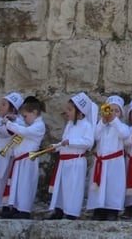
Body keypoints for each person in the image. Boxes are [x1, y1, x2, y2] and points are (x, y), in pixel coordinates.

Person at [48, 92, 96, 220]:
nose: (67, 112)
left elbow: (88, 142)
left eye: (70, 109)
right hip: (64, 162)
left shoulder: (87, 126)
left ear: (80, 112)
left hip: (76, 162)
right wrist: (56, 147)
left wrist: (71, 142)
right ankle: (59, 210)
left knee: (74, 188)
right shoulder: (69, 125)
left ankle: (71, 213)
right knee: (62, 188)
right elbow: (64, 142)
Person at [1, 95, 46, 218]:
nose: (24, 120)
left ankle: (24, 210)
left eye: (25, 116)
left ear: (34, 112)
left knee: (26, 185)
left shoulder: (39, 126)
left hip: (28, 160)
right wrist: (15, 119)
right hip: (21, 160)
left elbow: (25, 132)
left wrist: (9, 124)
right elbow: (22, 127)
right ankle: (16, 207)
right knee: (18, 185)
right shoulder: (31, 124)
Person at [88, 95, 132, 220]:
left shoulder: (122, 126)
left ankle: (113, 210)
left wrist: (114, 121)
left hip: (114, 162)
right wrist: (102, 122)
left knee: (113, 187)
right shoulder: (101, 126)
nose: (112, 113)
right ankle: (99, 209)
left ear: (121, 115)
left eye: (116, 111)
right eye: (110, 110)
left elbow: (124, 134)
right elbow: (95, 136)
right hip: (101, 161)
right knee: (100, 187)